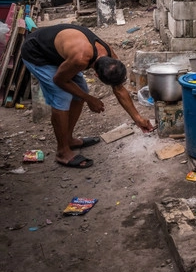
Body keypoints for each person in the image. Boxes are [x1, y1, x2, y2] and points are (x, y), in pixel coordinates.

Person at [21, 24, 154, 169]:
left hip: (59, 53)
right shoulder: (80, 59)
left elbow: (119, 89)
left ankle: (69, 139)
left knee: (81, 89)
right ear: (96, 74)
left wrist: (138, 119)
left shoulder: (110, 56)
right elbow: (59, 80)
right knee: (62, 96)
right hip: (37, 53)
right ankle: (62, 151)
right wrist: (89, 99)